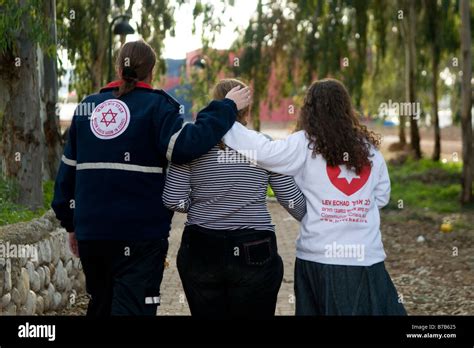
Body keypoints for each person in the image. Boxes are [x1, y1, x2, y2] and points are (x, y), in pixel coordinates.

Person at [52, 40, 250, 316]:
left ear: (119, 68)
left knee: (101, 305)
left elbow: (68, 171)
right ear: (152, 72)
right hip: (140, 237)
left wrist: (70, 223)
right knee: (136, 308)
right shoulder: (158, 108)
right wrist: (226, 107)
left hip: (92, 234)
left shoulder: (88, 107)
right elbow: (186, 146)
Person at [223, 78, 406, 315]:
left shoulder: (304, 144)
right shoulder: (368, 149)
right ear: (346, 108)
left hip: (317, 255)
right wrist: (353, 207)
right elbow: (381, 196)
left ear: (309, 109)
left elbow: (263, 152)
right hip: (365, 257)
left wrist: (224, 116)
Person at [163, 78, 306, 318]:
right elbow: (290, 199)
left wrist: (200, 204)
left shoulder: (192, 145)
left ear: (215, 105)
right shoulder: (265, 146)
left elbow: (172, 199)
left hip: (201, 247)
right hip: (255, 249)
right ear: (247, 111)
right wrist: (323, 220)